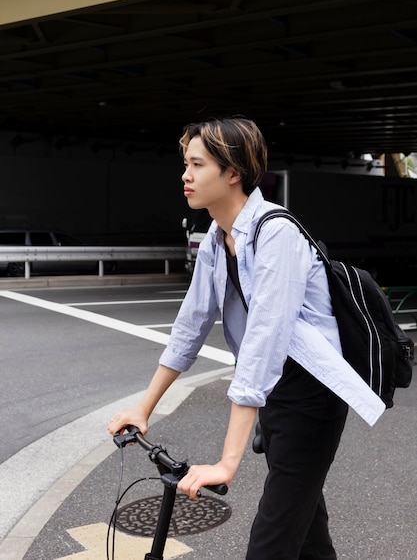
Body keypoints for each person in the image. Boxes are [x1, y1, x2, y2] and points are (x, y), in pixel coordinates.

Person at [108, 117, 385, 559]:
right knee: (306, 531)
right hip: (277, 395)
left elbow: (263, 344)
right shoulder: (217, 240)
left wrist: (227, 461)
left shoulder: (277, 234)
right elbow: (189, 327)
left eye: (197, 164)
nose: (186, 175)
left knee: (270, 544)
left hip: (312, 396)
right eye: (186, 164)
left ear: (233, 172)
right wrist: (142, 409)